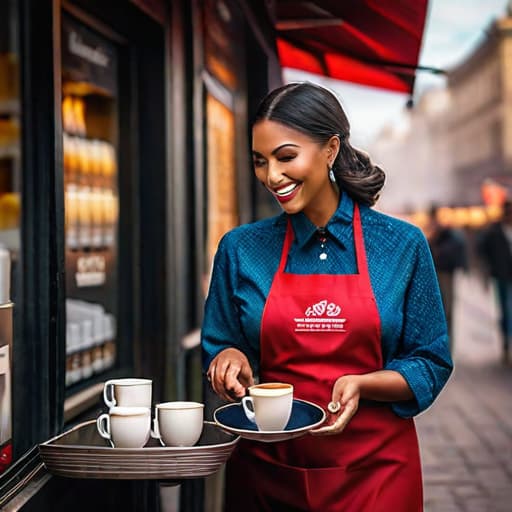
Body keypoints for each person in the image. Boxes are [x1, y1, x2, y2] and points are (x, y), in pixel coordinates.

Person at [201, 82, 453, 511]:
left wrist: (364, 383)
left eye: (285, 157)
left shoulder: (400, 244)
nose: (271, 177)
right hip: (268, 472)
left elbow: (430, 361)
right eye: (260, 162)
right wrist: (229, 359)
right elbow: (224, 342)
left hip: (376, 473)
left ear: (331, 149)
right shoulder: (240, 249)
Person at [426, 204, 467, 353]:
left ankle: (447, 345)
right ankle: (442, 344)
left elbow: (456, 248)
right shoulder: (432, 232)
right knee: (440, 311)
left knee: (447, 310)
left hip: (444, 273)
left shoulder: (445, 233)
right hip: (435, 273)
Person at [476, 200, 512, 364]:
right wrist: (489, 268)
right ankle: (506, 342)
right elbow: (481, 248)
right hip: (502, 276)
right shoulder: (495, 230)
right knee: (506, 310)